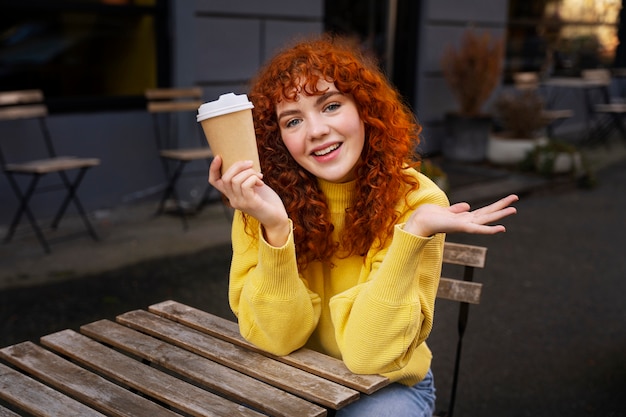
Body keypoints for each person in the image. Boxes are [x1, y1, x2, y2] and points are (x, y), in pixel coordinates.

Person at [208, 35, 518, 417]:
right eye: (293, 120)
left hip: (384, 386)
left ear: (365, 110)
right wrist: (275, 227)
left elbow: (368, 354)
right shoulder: (261, 199)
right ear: (277, 140)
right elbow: (275, 339)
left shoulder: (416, 202)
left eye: (331, 105)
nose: (316, 130)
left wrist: (413, 235)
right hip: (292, 372)